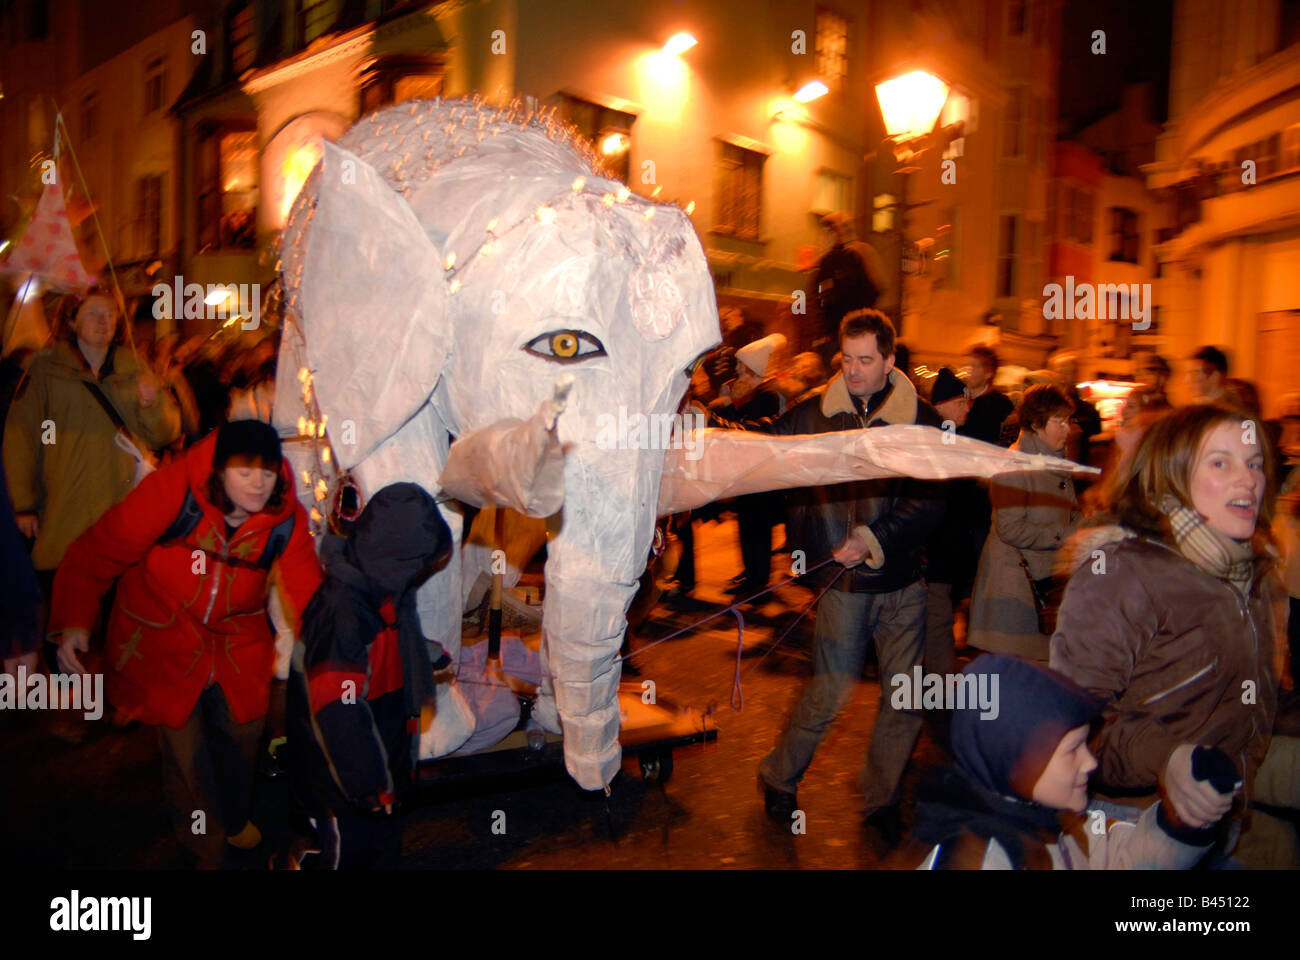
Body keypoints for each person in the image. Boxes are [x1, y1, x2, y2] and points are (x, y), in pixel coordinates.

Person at [711, 309, 944, 844]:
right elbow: (763, 440)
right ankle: (779, 775)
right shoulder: (816, 411)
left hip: (904, 585)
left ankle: (882, 798)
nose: (855, 371)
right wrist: (710, 427)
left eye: (867, 360)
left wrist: (874, 538)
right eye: (848, 359)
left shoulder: (922, 420)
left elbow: (931, 499)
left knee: (905, 699)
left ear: (890, 360)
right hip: (844, 589)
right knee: (829, 694)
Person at [48, 420, 323, 867]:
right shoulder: (173, 491)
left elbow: (308, 592)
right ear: (219, 470)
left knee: (244, 736)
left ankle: (233, 817)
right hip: (164, 632)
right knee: (185, 757)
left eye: (267, 473)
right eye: (244, 471)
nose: (258, 483)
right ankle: (206, 848)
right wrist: (74, 620)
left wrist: (338, 652)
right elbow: (98, 550)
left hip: (237, 638)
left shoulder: (284, 517)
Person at [1051, 404, 1298, 866]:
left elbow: (1249, 700)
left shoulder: (1253, 574)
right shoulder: (1123, 573)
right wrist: (1170, 763)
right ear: (1170, 476)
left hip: (1224, 822)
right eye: (1220, 463)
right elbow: (1075, 729)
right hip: (1133, 827)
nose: (1247, 479)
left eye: (1255, 463)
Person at [910, 654, 1235, 869]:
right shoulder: (975, 858)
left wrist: (1183, 819)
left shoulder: (1055, 822)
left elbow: (1123, 860)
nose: (1089, 762)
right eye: (1072, 749)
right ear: (1019, 761)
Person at [288, 483, 453, 869]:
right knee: (348, 855)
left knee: (382, 848)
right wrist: (369, 786)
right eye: (421, 565)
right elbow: (338, 709)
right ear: (398, 561)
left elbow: (391, 638)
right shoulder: (342, 613)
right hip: (343, 781)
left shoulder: (381, 585)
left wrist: (423, 656)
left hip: (383, 747)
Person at [4, 293, 181, 614]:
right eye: (94, 313)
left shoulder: (134, 367)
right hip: (64, 512)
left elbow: (165, 434)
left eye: (111, 314)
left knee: (120, 623)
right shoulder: (45, 371)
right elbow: (21, 438)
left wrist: (151, 405)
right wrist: (24, 504)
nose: (105, 321)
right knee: (66, 619)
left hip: (122, 511)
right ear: (71, 320)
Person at [968, 384, 1079, 662]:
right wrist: (1068, 534)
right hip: (1016, 589)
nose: (1068, 429)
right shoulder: (1015, 466)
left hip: (1042, 582)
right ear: (1035, 424)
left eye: (1068, 421)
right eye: (1060, 422)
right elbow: (1010, 528)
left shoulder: (1056, 463)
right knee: (1018, 674)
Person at [710, 333, 786, 596]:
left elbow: (753, 430)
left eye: (742, 367)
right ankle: (749, 571)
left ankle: (758, 578)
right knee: (745, 524)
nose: (737, 372)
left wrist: (733, 404)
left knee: (758, 527)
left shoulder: (768, 394)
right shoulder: (749, 392)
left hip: (762, 471)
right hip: (746, 469)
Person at [923, 367, 978, 679]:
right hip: (938, 550)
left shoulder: (953, 436)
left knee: (940, 615)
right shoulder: (938, 439)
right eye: (960, 402)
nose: (966, 407)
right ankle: (938, 684)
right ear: (942, 404)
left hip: (949, 549)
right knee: (938, 617)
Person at [814, 211, 889, 359]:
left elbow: (874, 289)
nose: (824, 237)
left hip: (847, 333)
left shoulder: (855, 255)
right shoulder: (830, 260)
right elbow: (817, 294)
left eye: (830, 231)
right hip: (840, 333)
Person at [962, 345, 1014, 447]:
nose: (967, 370)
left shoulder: (1000, 404)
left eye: (974, 366)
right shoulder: (957, 399)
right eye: (966, 365)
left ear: (988, 373)